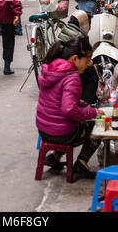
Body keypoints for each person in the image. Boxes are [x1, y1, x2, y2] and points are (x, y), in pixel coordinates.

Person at [36, 37, 104, 179]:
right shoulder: (72, 77)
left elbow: (60, 100)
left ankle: (55, 156)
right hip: (62, 134)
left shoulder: (52, 68)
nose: (88, 66)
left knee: (76, 122)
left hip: (43, 130)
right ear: (75, 58)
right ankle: (81, 163)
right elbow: (69, 110)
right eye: (86, 61)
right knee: (99, 127)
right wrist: (92, 112)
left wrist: (82, 105)